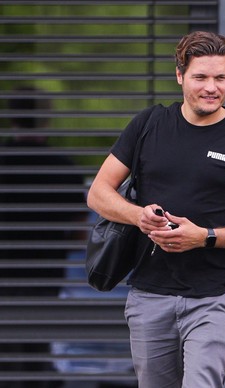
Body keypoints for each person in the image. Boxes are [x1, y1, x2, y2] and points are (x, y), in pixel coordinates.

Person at [86, 31, 225, 387]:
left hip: (212, 297)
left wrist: (204, 237)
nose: (212, 87)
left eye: (221, 78)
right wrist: (138, 215)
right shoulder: (149, 125)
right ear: (180, 76)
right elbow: (99, 192)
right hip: (149, 295)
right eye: (200, 77)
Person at [0, 86, 86, 387]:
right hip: (44, 274)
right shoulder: (63, 169)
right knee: (37, 346)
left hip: (5, 274)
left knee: (8, 351)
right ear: (45, 119)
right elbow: (78, 232)